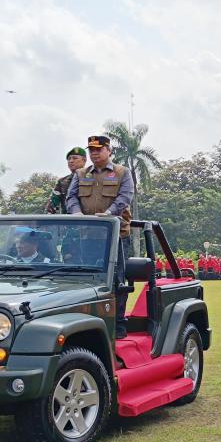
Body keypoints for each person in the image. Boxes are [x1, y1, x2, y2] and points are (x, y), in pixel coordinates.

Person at [66, 134, 136, 339]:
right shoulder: (80, 173)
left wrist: (110, 213)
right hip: (87, 236)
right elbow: (71, 197)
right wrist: (76, 213)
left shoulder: (122, 172)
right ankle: (92, 321)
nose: (95, 153)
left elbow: (125, 197)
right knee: (87, 281)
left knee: (117, 280)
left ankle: (119, 323)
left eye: (99, 149)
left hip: (116, 236)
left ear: (109, 151)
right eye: (92, 150)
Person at [48, 147, 87, 213]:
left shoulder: (92, 178)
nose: (71, 161)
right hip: (68, 221)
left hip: (90, 220)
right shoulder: (62, 182)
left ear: (84, 160)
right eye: (69, 159)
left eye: (75, 158)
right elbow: (52, 205)